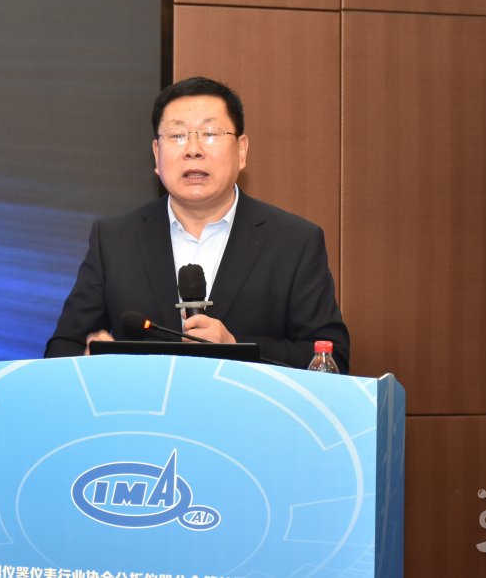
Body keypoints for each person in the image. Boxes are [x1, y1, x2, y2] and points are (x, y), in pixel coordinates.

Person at [44, 76, 349, 372]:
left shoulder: (294, 242)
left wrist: (236, 347)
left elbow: (331, 357)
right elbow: (62, 347)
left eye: (210, 134)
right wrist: (88, 357)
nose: (193, 149)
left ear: (241, 150)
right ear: (156, 153)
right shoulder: (114, 239)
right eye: (177, 135)